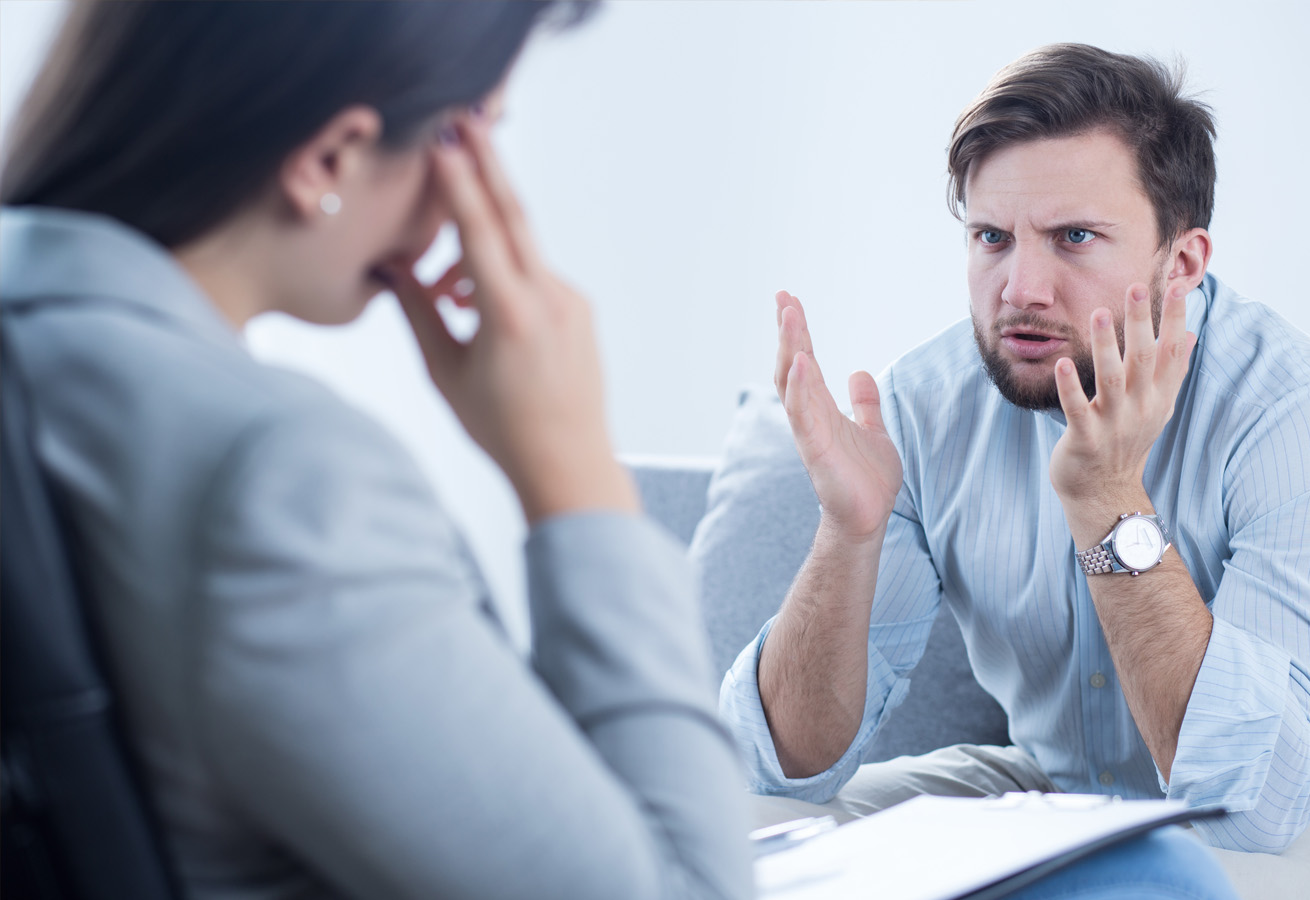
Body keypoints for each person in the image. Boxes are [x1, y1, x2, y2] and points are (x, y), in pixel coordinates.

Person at [0, 5, 1243, 897]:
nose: (470, 195)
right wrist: (569, 477)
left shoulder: (61, 373)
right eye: (472, 131)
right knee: (1156, 880)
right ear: (332, 158)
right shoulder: (277, 484)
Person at [719, 43, 1310, 899]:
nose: (1021, 288)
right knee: (732, 837)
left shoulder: (1297, 416)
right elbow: (781, 766)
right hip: (1049, 789)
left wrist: (1108, 499)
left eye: (1075, 238)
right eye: (992, 238)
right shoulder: (923, 407)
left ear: (1184, 262)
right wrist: (849, 533)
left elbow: (1256, 807)